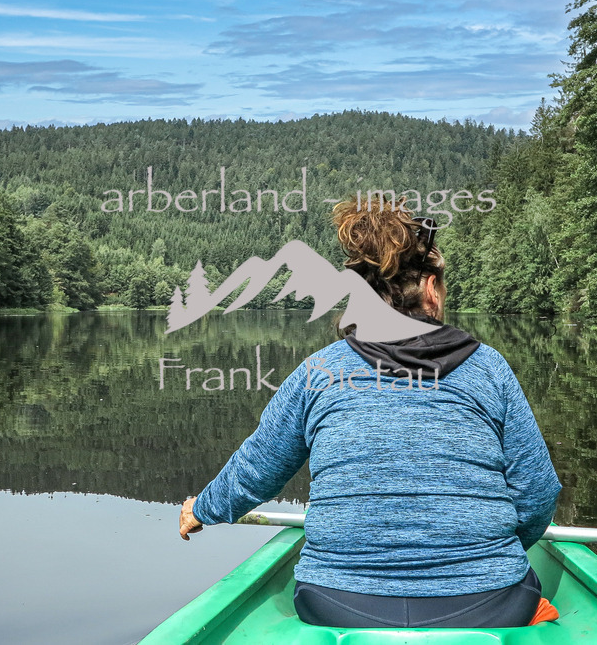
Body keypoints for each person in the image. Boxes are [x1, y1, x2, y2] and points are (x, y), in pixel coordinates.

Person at [178, 197, 562, 628]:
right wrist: (489, 558)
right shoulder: (488, 368)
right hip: (488, 602)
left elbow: (258, 469)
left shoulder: (320, 371)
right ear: (432, 290)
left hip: (334, 602)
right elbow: (538, 492)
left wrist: (203, 509)